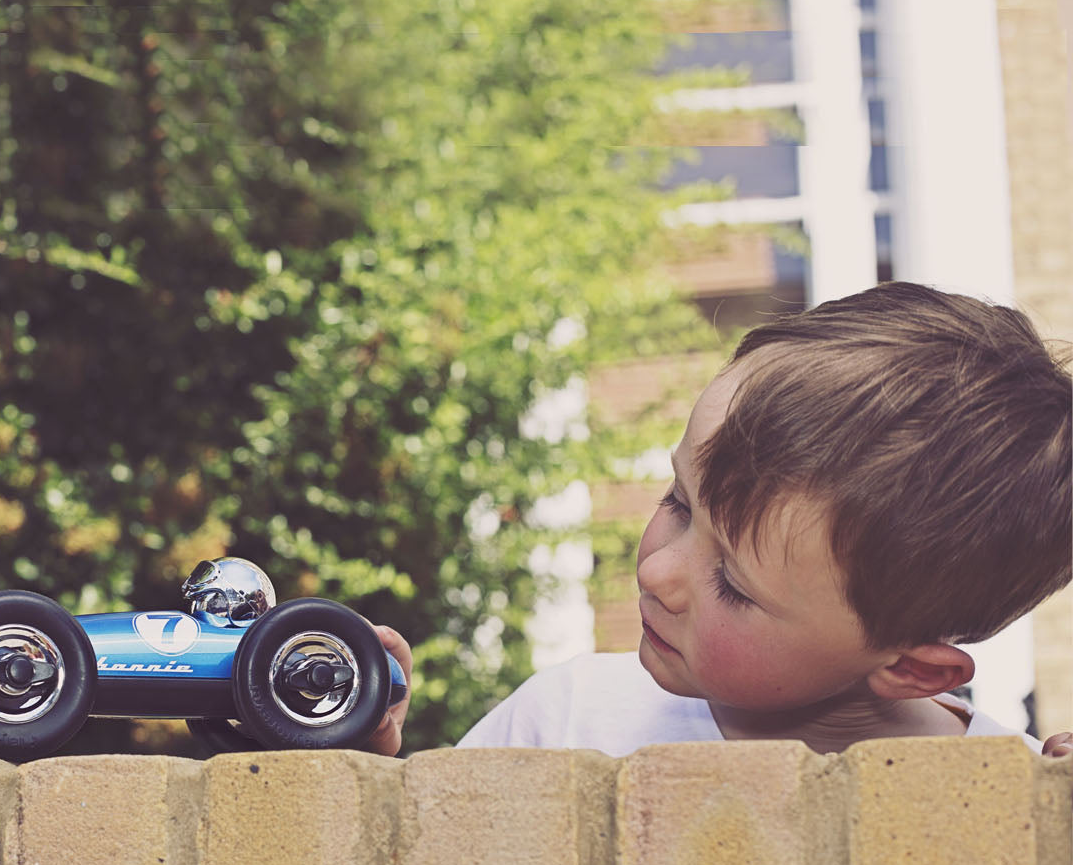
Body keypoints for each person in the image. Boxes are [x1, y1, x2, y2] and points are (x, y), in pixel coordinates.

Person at [365, 282, 1073, 760]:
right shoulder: (570, 722)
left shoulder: (1003, 801)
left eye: (732, 582)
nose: (655, 571)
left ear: (911, 667)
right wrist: (354, 777)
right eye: (678, 502)